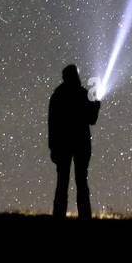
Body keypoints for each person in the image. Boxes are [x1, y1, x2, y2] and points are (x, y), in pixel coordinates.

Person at [48, 64, 101, 220]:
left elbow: (52, 123)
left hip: (62, 144)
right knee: (81, 182)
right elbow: (92, 119)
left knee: (62, 182)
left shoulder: (58, 95)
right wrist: (96, 105)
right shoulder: (83, 93)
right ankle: (85, 217)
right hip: (81, 143)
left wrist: (52, 147)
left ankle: (59, 216)